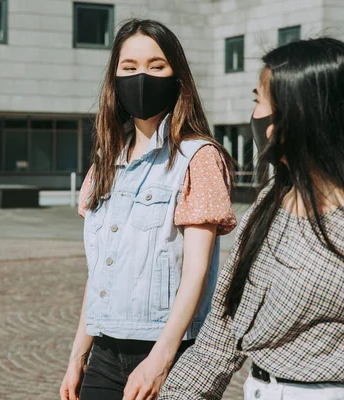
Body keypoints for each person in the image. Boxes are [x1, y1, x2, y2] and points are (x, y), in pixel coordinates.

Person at [160, 38, 344, 400]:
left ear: (296, 117)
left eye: (259, 102)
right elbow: (220, 335)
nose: (256, 117)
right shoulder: (271, 200)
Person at [59, 19, 237, 400]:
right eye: (129, 67)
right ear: (114, 78)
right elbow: (100, 270)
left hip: (171, 351)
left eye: (156, 66)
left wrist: (161, 358)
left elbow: (197, 273)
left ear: (177, 77)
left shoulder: (198, 158)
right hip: (105, 351)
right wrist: (78, 355)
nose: (141, 77)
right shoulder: (106, 161)